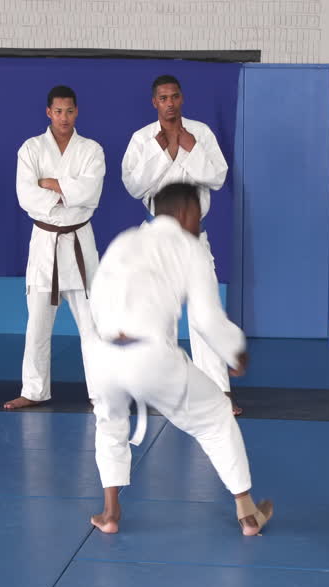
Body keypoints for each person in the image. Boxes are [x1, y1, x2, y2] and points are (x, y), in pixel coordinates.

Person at [88, 183, 273, 536]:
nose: (199, 224)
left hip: (103, 352)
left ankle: (110, 513)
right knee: (216, 415)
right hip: (149, 355)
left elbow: (96, 296)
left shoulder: (125, 240)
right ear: (187, 213)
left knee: (109, 421)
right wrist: (235, 352)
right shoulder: (190, 248)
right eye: (198, 216)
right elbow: (205, 318)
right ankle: (248, 514)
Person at [120, 75, 239, 416]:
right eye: (163, 98)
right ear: (154, 102)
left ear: (182, 98)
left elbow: (217, 177)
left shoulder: (201, 134)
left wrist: (190, 148)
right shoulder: (142, 139)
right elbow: (133, 186)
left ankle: (217, 393)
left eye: (174, 97)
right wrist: (160, 152)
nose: (169, 103)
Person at [4, 86, 105, 410]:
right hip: (45, 243)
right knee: (37, 325)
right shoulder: (31, 148)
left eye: (69, 111)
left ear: (77, 112)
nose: (64, 117)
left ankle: (102, 392)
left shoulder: (91, 149)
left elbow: (91, 193)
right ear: (49, 112)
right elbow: (26, 196)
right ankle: (34, 390)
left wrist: (50, 183)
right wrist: (69, 193)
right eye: (58, 111)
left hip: (79, 243)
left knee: (93, 325)